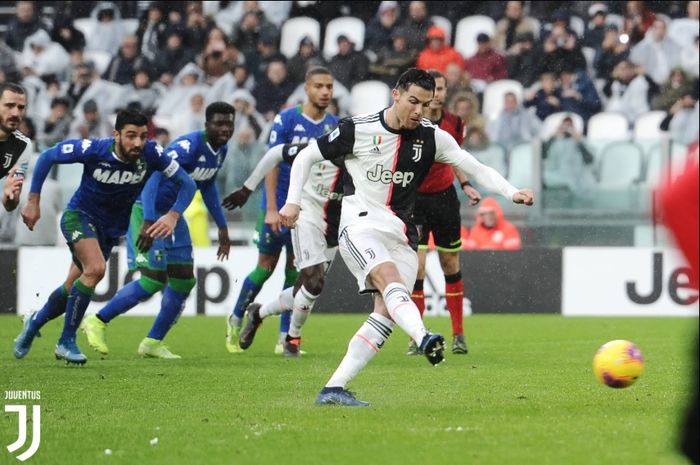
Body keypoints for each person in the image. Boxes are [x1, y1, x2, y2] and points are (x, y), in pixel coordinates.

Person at [279, 68, 534, 406]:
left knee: (385, 311)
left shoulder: (432, 136)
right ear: (396, 94)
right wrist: (293, 201)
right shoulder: (358, 128)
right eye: (413, 101)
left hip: (401, 234)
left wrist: (511, 192)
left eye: (425, 105)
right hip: (360, 226)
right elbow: (307, 156)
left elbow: (474, 167)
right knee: (388, 281)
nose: (418, 111)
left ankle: (334, 388)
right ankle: (424, 336)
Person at [13, 109, 196, 364]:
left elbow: (188, 184)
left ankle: (34, 322)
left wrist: (173, 215)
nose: (137, 143)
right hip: (79, 216)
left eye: (143, 136)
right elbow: (47, 156)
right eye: (131, 136)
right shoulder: (95, 149)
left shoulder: (152, 153)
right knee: (96, 269)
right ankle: (66, 341)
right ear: (116, 135)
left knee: (71, 286)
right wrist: (33, 201)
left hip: (111, 230)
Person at [81, 102, 235, 359]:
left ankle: (152, 342)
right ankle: (97, 320)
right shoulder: (188, 147)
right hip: (147, 209)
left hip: (173, 215)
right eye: (218, 123)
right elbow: (152, 176)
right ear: (206, 124)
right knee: (153, 279)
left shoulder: (220, 150)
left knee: (185, 279)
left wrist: (221, 226)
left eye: (229, 123)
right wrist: (149, 219)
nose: (225, 128)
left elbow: (206, 186)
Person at [226, 67, 338, 355]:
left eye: (329, 86)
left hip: (312, 210)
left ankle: (282, 335)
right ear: (307, 88)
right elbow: (273, 160)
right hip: (280, 205)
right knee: (265, 268)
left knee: (298, 275)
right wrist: (272, 208)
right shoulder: (287, 119)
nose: (325, 92)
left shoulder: (335, 126)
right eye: (319, 86)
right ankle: (236, 320)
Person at [222, 141, 342, 356]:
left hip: (333, 228)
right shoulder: (320, 148)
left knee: (303, 290)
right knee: (314, 283)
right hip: (305, 217)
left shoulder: (364, 157)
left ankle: (258, 313)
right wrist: (248, 188)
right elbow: (276, 153)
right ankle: (292, 339)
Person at [409, 70, 481, 356]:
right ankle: (418, 334)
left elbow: (456, 157)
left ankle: (458, 333)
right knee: (417, 268)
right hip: (414, 201)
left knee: (450, 265)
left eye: (441, 89)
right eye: (433, 89)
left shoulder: (455, 123)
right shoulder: (412, 121)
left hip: (445, 200)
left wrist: (465, 183)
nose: (437, 94)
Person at [0, 83, 32, 212]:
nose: (15, 113)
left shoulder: (23, 145)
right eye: (9, 105)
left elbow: (11, 205)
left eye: (21, 108)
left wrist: (10, 197)